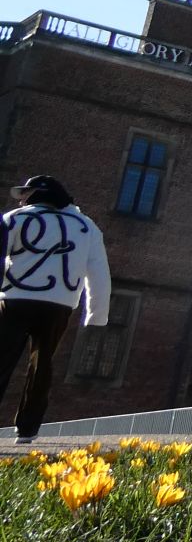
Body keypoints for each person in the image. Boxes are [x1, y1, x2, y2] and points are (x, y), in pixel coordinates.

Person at [1, 175, 111, 444]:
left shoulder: (13, 219)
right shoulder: (86, 227)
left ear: (34, 195)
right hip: (58, 302)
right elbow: (98, 273)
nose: (23, 199)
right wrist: (97, 313)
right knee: (42, 365)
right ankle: (27, 428)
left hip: (15, 298)